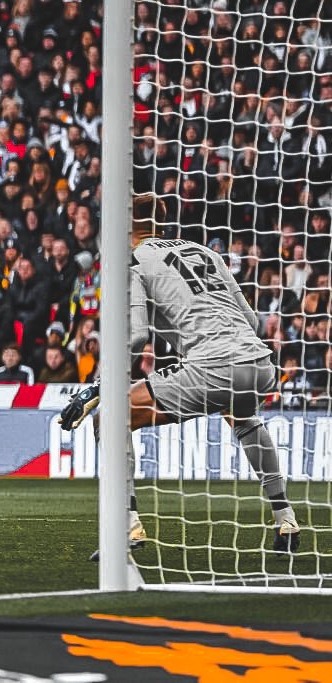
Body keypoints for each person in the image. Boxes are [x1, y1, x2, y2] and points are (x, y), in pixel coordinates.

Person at [59, 195, 300, 555]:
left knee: (109, 419)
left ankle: (127, 527)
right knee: (243, 417)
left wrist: (98, 387)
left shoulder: (134, 260)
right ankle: (286, 519)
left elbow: (138, 335)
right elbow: (251, 321)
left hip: (212, 364)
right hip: (259, 362)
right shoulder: (205, 252)